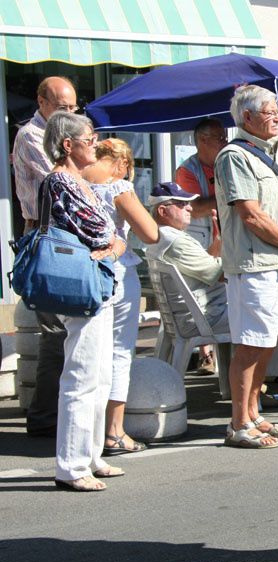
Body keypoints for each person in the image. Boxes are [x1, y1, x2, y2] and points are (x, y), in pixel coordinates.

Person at [214, 84, 278, 449]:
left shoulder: (269, 153)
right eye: (270, 112)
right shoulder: (234, 156)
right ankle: (238, 422)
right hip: (255, 264)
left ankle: (254, 413)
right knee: (251, 344)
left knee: (269, 342)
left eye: (277, 112)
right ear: (248, 117)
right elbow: (251, 215)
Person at [40, 112, 130, 491]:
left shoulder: (78, 180)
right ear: (68, 145)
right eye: (89, 139)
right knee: (81, 373)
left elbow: (112, 236)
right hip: (81, 284)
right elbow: (101, 231)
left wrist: (116, 241)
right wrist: (116, 241)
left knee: (99, 373)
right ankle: (72, 465)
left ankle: (91, 455)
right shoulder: (61, 181)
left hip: (98, 282)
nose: (95, 143)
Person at [82, 138, 160, 456]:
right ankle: (114, 431)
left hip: (82, 271)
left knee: (88, 353)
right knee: (118, 352)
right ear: (123, 163)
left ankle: (87, 429)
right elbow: (150, 232)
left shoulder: (77, 180)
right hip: (116, 272)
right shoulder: (117, 187)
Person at [12, 76, 77, 438]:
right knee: (55, 331)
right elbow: (63, 181)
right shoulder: (31, 137)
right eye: (61, 107)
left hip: (65, 238)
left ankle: (60, 412)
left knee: (69, 329)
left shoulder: (63, 135)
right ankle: (44, 418)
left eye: (72, 107)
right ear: (41, 103)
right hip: (45, 238)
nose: (68, 114)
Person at [144, 182, 229, 340]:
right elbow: (221, 274)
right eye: (181, 204)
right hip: (207, 317)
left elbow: (203, 264)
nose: (189, 207)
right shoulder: (175, 242)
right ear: (162, 211)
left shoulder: (161, 237)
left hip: (195, 316)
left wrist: (219, 240)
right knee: (271, 317)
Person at [176, 117, 227, 374]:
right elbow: (193, 208)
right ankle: (207, 355)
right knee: (212, 291)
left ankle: (216, 360)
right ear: (203, 140)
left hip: (223, 243)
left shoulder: (226, 164)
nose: (225, 141)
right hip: (203, 244)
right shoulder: (187, 170)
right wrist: (229, 197)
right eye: (220, 137)